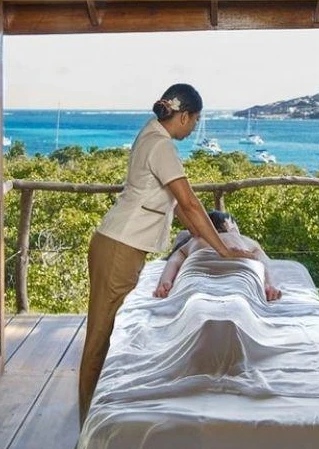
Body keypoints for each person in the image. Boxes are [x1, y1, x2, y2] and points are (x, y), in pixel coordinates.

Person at [78, 84, 256, 423]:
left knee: (111, 334)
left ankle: (101, 417)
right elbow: (189, 203)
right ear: (184, 115)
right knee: (101, 336)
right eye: (195, 121)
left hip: (121, 244)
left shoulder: (151, 135)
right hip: (119, 246)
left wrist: (202, 240)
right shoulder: (161, 145)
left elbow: (175, 206)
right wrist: (223, 250)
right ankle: (88, 425)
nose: (193, 129)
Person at [154, 210, 282, 302]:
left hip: (198, 267)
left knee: (194, 296)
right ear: (227, 224)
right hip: (239, 268)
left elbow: (173, 261)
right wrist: (268, 284)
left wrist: (165, 283)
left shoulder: (195, 240)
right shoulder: (243, 239)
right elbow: (263, 262)